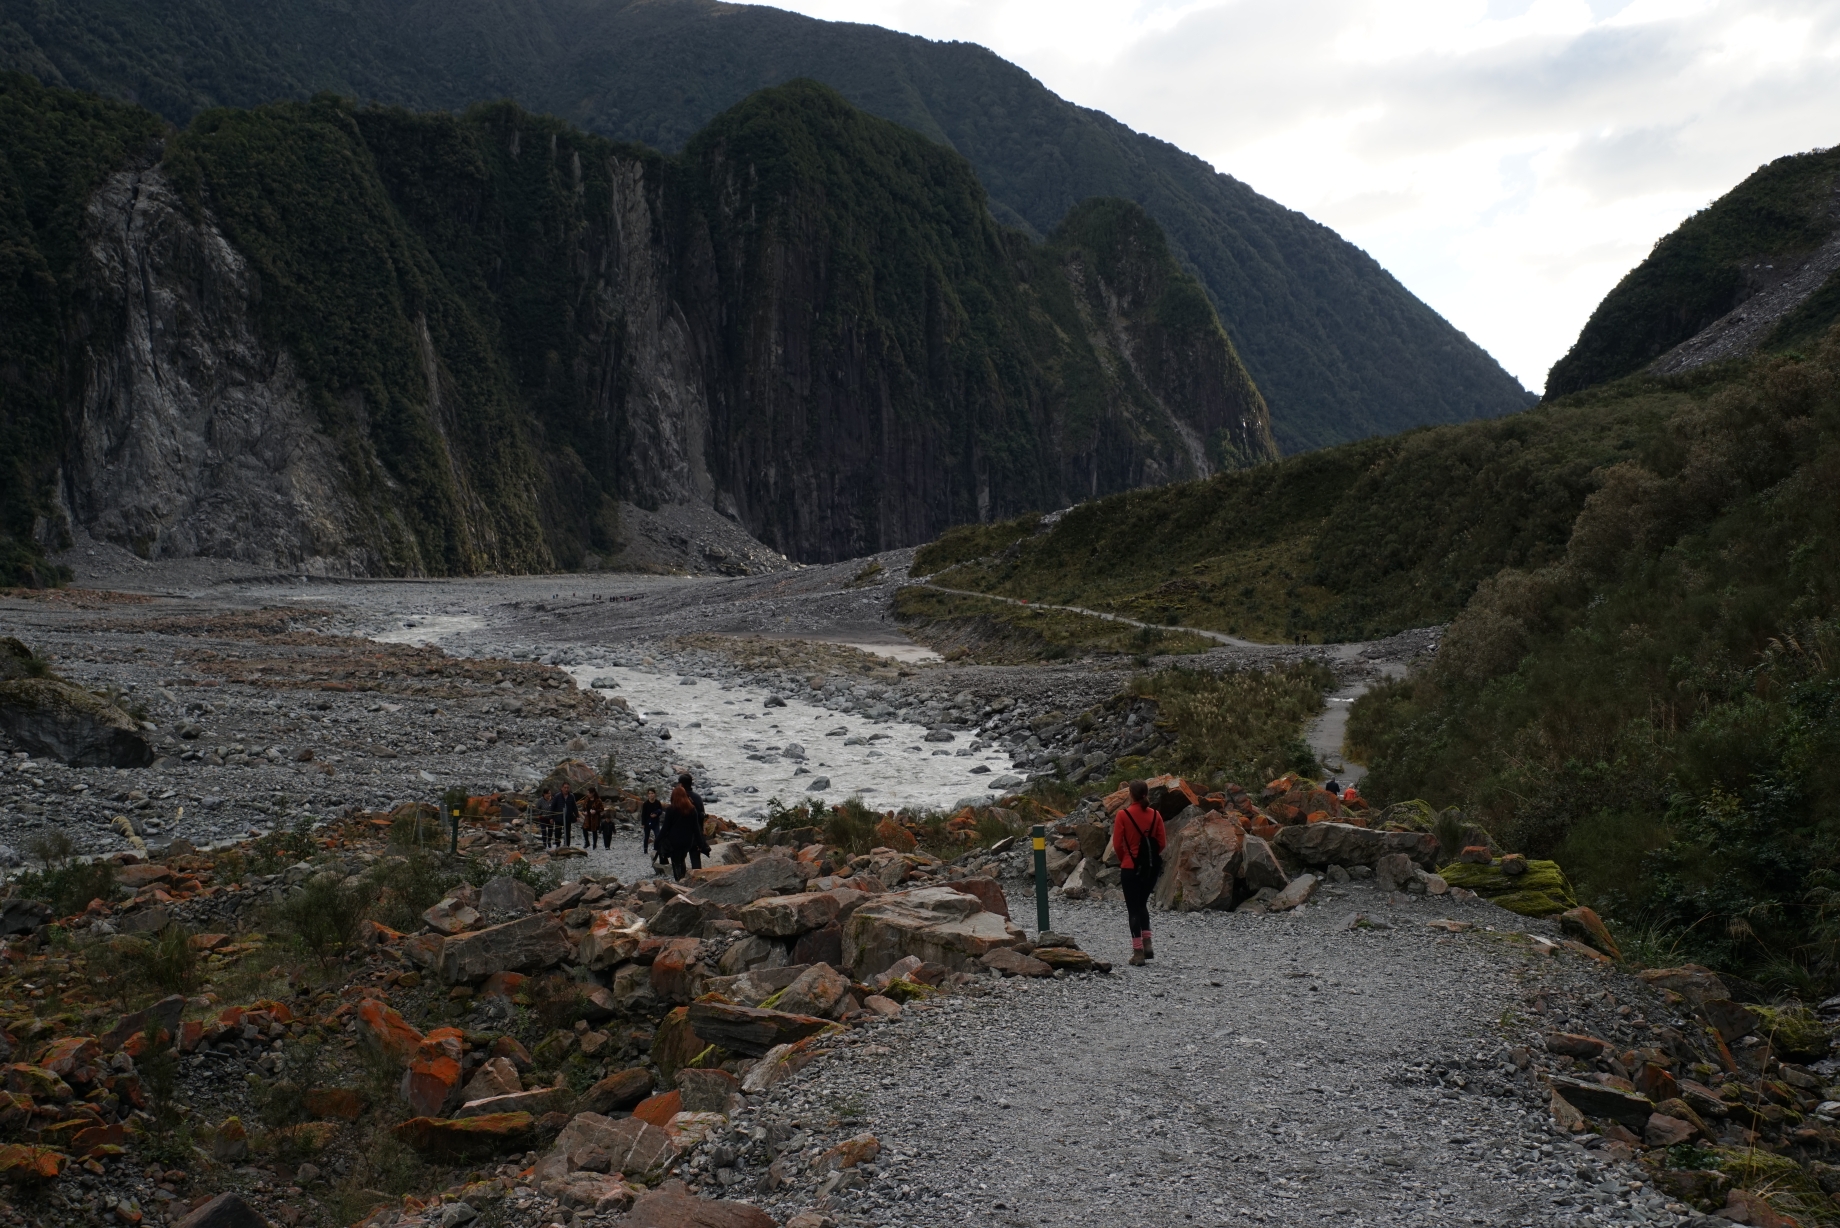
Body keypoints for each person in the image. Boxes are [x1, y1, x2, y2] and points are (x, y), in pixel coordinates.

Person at [1112, 779, 1167, 967]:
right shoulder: (1155, 815)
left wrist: (1126, 859)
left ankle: (1138, 953)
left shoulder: (1123, 815)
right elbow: (1162, 843)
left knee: (1133, 909)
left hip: (1130, 867)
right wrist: (1148, 858)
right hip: (1151, 868)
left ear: (1130, 794)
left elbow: (1118, 844)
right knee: (1143, 904)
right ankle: (1148, 944)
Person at [657, 775, 711, 882]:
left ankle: (681, 880)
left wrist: (658, 841)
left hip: (678, 838)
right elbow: (701, 817)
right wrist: (701, 839)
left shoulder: (676, 802)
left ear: (681, 784)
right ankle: (698, 881)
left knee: (679, 860)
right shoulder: (697, 798)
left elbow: (667, 825)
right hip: (693, 836)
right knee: (695, 860)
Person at [640, 788, 664, 857]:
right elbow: (643, 814)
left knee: (657, 835)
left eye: (652, 793)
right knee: (646, 836)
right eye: (649, 793)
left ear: (655, 794)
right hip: (647, 822)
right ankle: (645, 850)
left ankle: (656, 849)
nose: (651, 795)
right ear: (648, 795)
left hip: (655, 822)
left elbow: (660, 810)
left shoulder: (657, 802)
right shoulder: (646, 804)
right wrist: (643, 823)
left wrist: (656, 814)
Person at [558, 781, 579, 848]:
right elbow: (553, 807)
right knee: (558, 831)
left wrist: (577, 816)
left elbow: (574, 807)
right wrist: (551, 817)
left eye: (567, 788)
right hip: (559, 816)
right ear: (562, 788)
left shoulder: (571, 796)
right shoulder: (557, 796)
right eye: (565, 788)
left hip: (568, 816)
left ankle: (567, 845)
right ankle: (557, 845)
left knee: (567, 831)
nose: (566, 789)